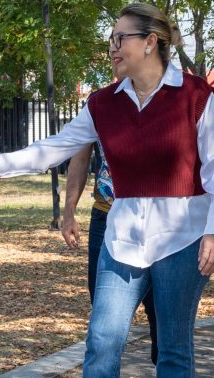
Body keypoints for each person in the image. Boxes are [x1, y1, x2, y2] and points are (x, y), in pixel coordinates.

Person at [0, 3, 214, 377]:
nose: (112, 48)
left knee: (173, 351)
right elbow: (55, 147)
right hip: (121, 242)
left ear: (150, 42)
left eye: (120, 39)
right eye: (110, 40)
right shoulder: (103, 103)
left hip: (184, 242)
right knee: (102, 344)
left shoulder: (195, 96)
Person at [61, 142, 158, 366]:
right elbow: (80, 157)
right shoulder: (98, 106)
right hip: (106, 217)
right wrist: (69, 213)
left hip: (160, 221)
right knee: (104, 330)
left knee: (164, 327)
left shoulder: (171, 105)